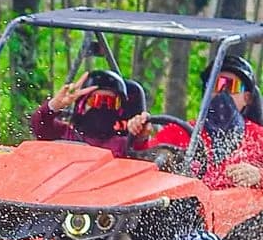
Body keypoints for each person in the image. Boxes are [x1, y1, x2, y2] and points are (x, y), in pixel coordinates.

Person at [143, 56, 263, 189]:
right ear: (206, 91)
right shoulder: (180, 131)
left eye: (231, 86)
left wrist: (259, 175)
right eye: (216, 85)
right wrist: (140, 136)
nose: (222, 92)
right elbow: (143, 162)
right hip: (189, 205)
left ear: (247, 98)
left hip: (242, 207)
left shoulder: (259, 137)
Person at [28, 69, 150, 157]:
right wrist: (54, 106)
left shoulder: (123, 145)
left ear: (119, 110)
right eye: (95, 100)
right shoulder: (63, 133)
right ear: (81, 105)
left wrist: (141, 133)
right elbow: (39, 125)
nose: (102, 107)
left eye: (111, 102)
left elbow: (141, 153)